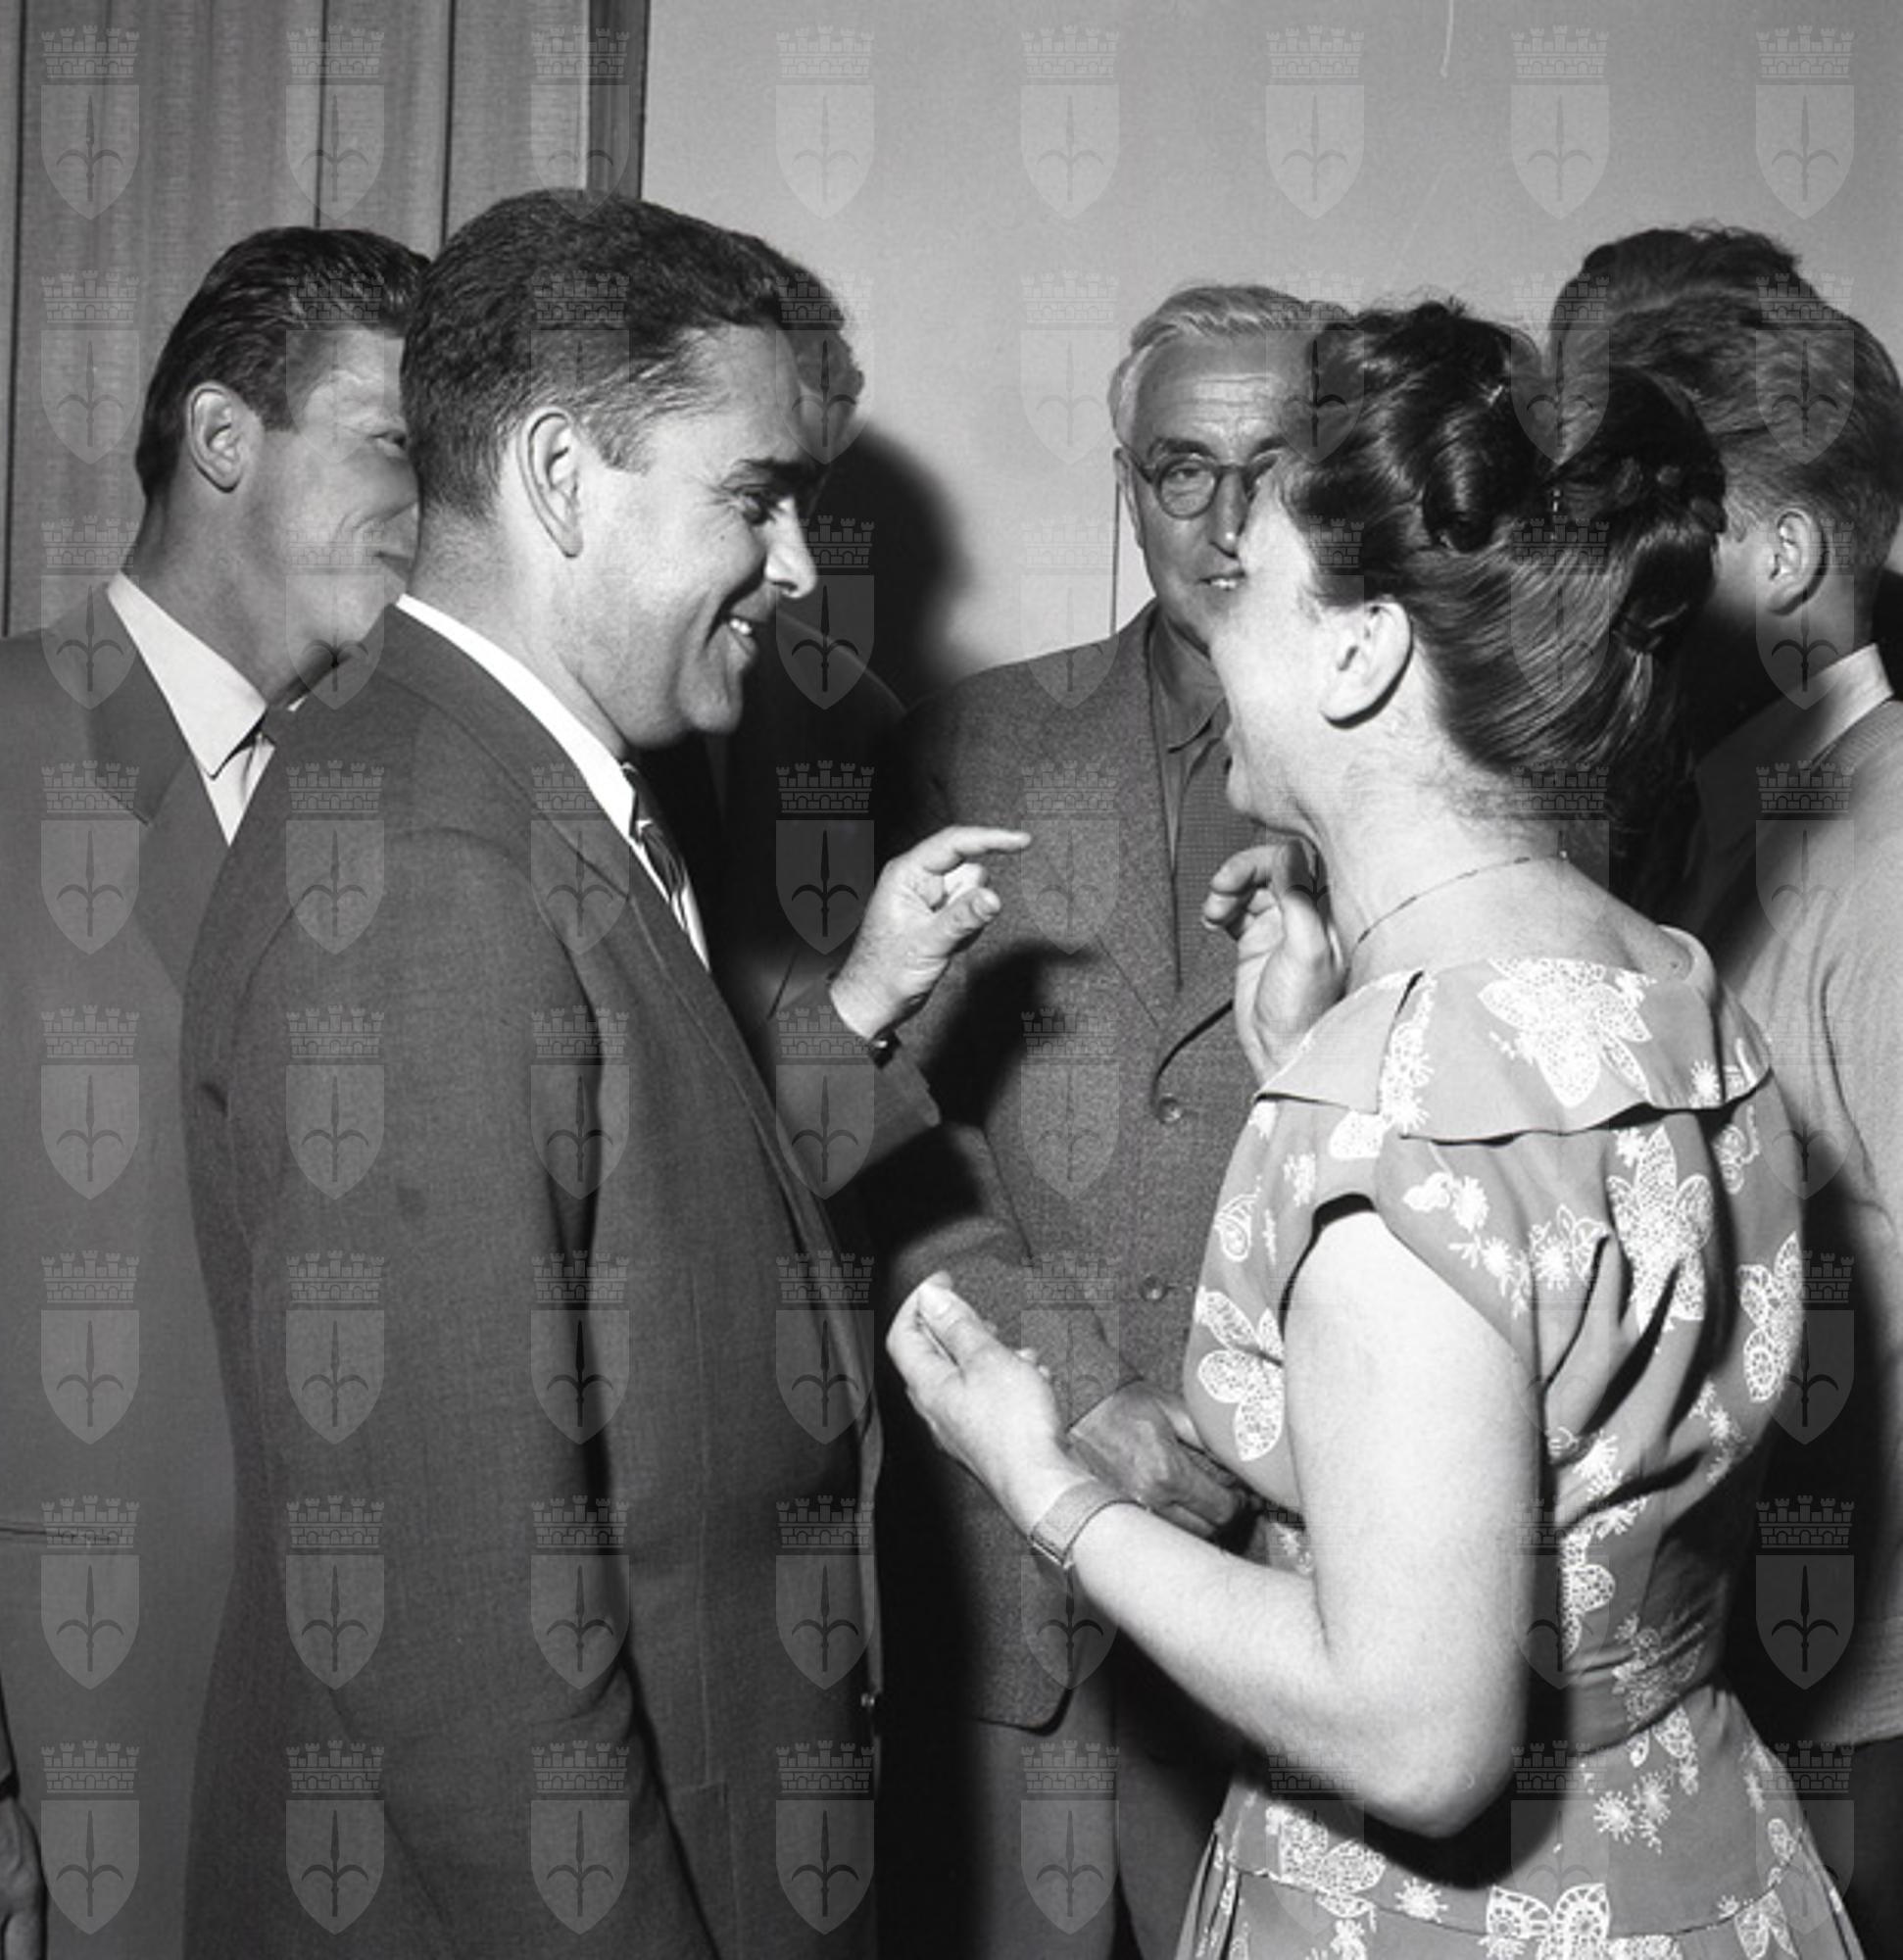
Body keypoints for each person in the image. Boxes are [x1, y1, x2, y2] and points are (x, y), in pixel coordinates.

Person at [888, 301, 1861, 1955]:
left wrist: (1038, 1480)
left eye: (1248, 581)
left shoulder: (1393, 1109)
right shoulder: (1660, 975)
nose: (1209, 600)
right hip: (1698, 1861)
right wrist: (1311, 1058)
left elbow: (1416, 1740)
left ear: (1357, 653)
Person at [178, 189, 1021, 1958]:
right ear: (561, 476)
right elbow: (464, 1645)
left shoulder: (523, 789)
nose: (796, 567)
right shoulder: (425, 873)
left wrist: (858, 1012)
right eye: (752, 497)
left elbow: (645, 1216)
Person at [865, 284, 1337, 1958]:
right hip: (1016, 1592)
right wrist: (1077, 1389)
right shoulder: (972, 742)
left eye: (1277, 469)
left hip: (1313, 1597)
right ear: (1126, 481)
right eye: (1179, 470)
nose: (1225, 522)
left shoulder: (1429, 764)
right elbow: (875, 1127)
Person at [0, 223, 425, 1958]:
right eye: (390, 445)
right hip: (84, 1720)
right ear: (225, 439)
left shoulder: (407, 801)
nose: (426, 506)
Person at [1556, 229, 1903, 1951]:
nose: (1608, 588)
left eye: (1657, 541)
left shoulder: (1888, 852)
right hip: (1744, 1639)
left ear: (1778, 554)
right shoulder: (1741, 810)